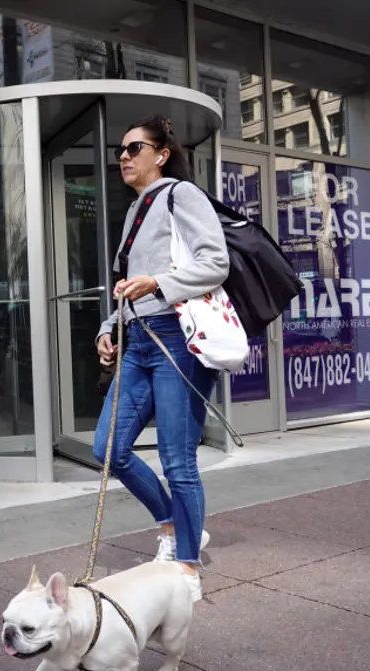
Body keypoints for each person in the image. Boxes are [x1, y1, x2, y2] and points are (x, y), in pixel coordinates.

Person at [93, 116, 229, 602]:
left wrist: (159, 284)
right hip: (139, 339)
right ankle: (173, 526)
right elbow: (129, 286)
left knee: (177, 460)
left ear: (162, 153)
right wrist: (111, 327)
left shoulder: (181, 196)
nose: (124, 156)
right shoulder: (134, 211)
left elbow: (216, 262)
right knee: (108, 448)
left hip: (177, 338)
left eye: (134, 147)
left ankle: (188, 566)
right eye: (120, 151)